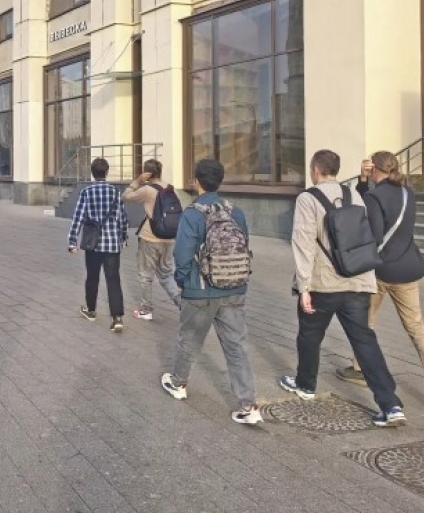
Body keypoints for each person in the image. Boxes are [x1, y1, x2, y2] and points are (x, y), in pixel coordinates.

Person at [280, 149, 407, 428]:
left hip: (323, 283)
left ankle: (305, 384)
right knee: (365, 342)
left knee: (310, 335)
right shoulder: (355, 195)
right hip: (357, 281)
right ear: (336, 170)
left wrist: (303, 287)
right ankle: (391, 405)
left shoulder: (307, 199)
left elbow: (303, 243)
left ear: (316, 170)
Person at [334, 151, 424, 412]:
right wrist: (366, 183)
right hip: (408, 268)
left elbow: (375, 235)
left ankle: (360, 368)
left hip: (380, 271)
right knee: (416, 326)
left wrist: (363, 184)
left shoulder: (374, 196)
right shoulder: (407, 192)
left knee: (365, 322)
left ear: (375, 169)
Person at [160, 159, 261, 424]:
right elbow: (244, 245)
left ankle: (178, 384)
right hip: (235, 287)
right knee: (237, 347)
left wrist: (184, 282)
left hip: (200, 290)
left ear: (196, 182)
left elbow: (182, 255)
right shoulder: (235, 212)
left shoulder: (192, 214)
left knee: (189, 340)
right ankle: (248, 405)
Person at [67, 158, 128, 333]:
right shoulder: (115, 192)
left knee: (92, 277)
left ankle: (91, 310)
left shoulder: (86, 192)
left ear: (92, 173)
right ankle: (117, 318)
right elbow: (122, 218)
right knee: (113, 279)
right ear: (106, 172)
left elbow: (78, 217)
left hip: (92, 244)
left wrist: (72, 241)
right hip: (112, 243)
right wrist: (124, 238)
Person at [123, 159, 181, 321]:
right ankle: (182, 304)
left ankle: (145, 310)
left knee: (145, 275)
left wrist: (137, 181)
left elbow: (125, 196)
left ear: (146, 173)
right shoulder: (172, 189)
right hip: (170, 238)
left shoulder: (147, 190)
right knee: (167, 274)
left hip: (150, 237)